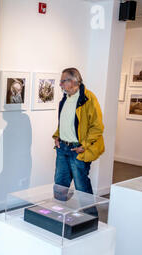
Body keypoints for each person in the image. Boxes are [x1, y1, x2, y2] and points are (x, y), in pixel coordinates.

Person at [53, 68, 105, 201]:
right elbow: (65, 122)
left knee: (82, 187)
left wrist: (84, 146)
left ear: (73, 81)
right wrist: (57, 136)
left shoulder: (88, 99)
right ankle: (59, 216)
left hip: (78, 149)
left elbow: (97, 127)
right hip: (62, 148)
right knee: (59, 186)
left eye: (63, 81)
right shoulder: (65, 98)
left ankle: (90, 219)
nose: (60, 84)